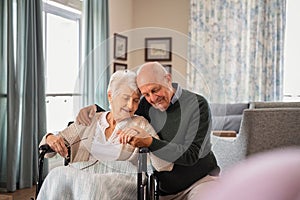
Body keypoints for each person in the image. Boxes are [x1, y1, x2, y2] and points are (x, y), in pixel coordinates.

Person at [77, 62, 220, 199]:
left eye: (155, 90)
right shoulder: (146, 104)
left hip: (199, 182)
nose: (152, 98)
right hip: (164, 191)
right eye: (145, 94)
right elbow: (122, 113)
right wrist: (95, 111)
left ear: (168, 79)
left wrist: (151, 142)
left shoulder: (197, 104)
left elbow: (191, 155)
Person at [37, 70, 173, 200]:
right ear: (110, 96)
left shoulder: (140, 124)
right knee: (56, 174)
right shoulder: (89, 120)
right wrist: (50, 138)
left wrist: (147, 140)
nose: (131, 106)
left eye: (136, 100)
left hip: (123, 180)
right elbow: (48, 152)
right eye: (126, 98)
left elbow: (165, 165)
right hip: (83, 175)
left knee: (93, 185)